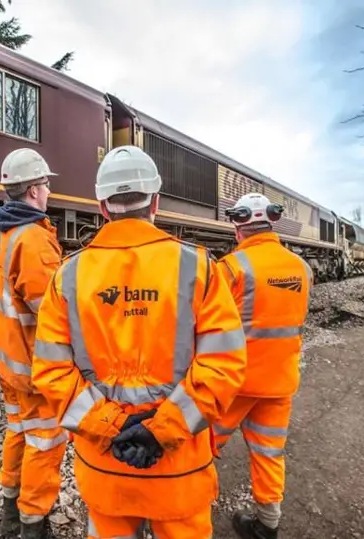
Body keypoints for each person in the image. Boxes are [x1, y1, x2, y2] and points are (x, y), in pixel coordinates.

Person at [30, 145, 249, 538]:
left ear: (102, 207)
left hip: (105, 467)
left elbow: (50, 372)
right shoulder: (200, 268)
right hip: (179, 466)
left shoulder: (67, 277)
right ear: (156, 202)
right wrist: (159, 430)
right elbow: (224, 365)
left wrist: (111, 427)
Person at [0, 148, 66, 539]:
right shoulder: (34, 239)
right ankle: (32, 524)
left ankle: (10, 508)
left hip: (5, 362)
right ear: (32, 191)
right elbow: (53, 313)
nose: (48, 190)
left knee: (19, 431)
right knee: (47, 440)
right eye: (45, 184)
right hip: (34, 367)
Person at [212, 193, 313, 539]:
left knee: (202, 449)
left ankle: (189, 513)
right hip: (281, 382)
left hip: (234, 384)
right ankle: (268, 523)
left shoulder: (230, 268)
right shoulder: (303, 268)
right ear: (272, 223)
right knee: (270, 452)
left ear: (238, 227)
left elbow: (209, 326)